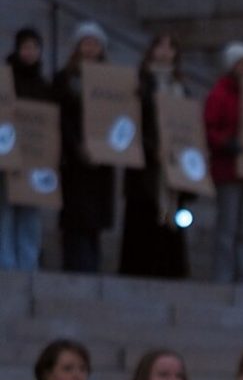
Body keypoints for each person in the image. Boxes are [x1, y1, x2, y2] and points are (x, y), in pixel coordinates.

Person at [120, 32, 191, 280]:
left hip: (172, 169)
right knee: (144, 218)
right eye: (160, 46)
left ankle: (167, 269)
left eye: (171, 47)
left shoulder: (182, 89)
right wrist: (152, 149)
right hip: (146, 168)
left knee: (169, 218)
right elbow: (131, 123)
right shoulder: (140, 85)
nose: (165, 51)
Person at [52, 21, 113, 274]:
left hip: (100, 161)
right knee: (75, 217)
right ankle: (74, 264)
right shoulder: (65, 78)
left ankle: (91, 265)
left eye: (95, 43)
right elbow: (60, 116)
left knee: (94, 220)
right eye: (86, 43)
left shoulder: (111, 81)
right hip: (74, 159)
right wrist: (76, 146)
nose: (90, 48)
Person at [203, 41, 243, 284]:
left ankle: (242, 276)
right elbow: (208, 128)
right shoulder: (220, 94)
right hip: (228, 169)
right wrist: (226, 143)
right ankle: (223, 277)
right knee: (228, 228)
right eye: (242, 63)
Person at [1, 26, 53, 271]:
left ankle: (28, 264)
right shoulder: (5, 80)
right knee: (6, 211)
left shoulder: (43, 85)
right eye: (25, 47)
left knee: (30, 213)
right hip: (7, 154)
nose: (29, 52)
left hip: (34, 158)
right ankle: (6, 264)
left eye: (34, 47)